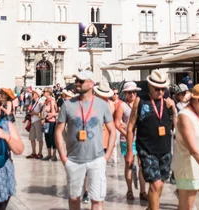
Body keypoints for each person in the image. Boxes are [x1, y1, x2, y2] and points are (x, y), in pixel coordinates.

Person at [55, 70, 116, 210]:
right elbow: (58, 131)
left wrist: (106, 156)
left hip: (97, 159)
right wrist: (63, 157)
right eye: (76, 80)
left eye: (81, 81)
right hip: (74, 160)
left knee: (97, 200)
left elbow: (112, 130)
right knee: (74, 198)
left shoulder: (102, 105)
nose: (77, 83)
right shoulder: (67, 105)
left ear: (91, 83)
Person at [126, 70, 176, 210]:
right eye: (157, 89)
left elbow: (176, 125)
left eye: (163, 89)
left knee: (160, 183)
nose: (160, 92)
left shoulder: (167, 101)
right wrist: (130, 151)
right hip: (147, 150)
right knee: (155, 184)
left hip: (165, 149)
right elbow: (130, 127)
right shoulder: (140, 101)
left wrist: (173, 108)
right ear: (149, 86)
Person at [113, 81, 146, 201]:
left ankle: (143, 191)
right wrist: (126, 134)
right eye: (129, 92)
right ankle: (130, 190)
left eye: (134, 92)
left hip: (141, 138)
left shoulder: (141, 104)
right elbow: (117, 123)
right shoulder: (122, 106)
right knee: (129, 164)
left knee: (142, 164)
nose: (132, 94)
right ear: (125, 93)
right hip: (127, 139)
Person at [26, 89, 45, 159]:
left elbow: (42, 113)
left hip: (38, 121)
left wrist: (34, 113)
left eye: (33, 94)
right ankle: (33, 152)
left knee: (39, 138)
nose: (32, 95)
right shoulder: (34, 102)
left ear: (37, 95)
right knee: (32, 138)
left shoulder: (40, 102)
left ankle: (40, 153)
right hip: (33, 121)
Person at [43, 87, 59, 162]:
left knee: (51, 137)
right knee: (46, 137)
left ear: (48, 92)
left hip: (51, 121)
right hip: (46, 121)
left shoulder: (52, 101)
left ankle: (54, 155)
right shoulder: (45, 101)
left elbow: (53, 113)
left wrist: (47, 117)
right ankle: (49, 154)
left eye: (44, 91)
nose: (43, 92)